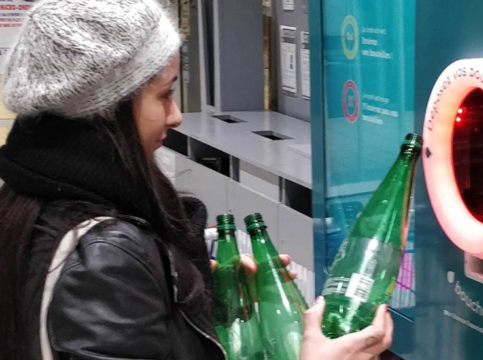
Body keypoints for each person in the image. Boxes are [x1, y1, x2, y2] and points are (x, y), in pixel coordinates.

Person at [0, 0, 393, 359]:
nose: (175, 117)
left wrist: (191, 289)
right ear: (105, 111)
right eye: (164, 95)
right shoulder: (103, 258)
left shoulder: (29, 201)